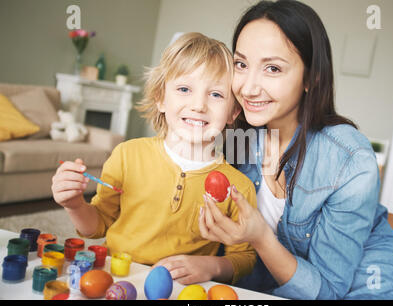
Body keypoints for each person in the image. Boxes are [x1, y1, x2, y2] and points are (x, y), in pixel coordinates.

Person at [199, 0, 393, 299]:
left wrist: (260, 237)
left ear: (311, 78)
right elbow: (248, 260)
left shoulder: (349, 158)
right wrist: (208, 265)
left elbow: (328, 291)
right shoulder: (241, 139)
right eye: (241, 64)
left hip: (376, 288)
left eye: (272, 68)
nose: (248, 87)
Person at [51, 32, 257, 285]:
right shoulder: (127, 155)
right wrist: (74, 205)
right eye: (184, 89)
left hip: (180, 289)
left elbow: (245, 257)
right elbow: (97, 225)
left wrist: (213, 265)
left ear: (233, 112)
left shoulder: (240, 187)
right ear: (160, 98)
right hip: (115, 277)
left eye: (216, 95)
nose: (198, 105)